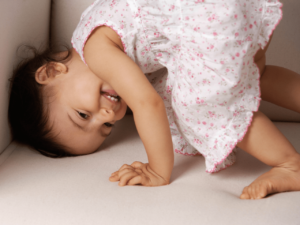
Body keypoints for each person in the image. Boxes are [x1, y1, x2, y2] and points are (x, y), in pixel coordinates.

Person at [8, 0, 300, 199]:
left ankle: (290, 165)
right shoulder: (95, 27)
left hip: (203, 20)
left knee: (206, 108)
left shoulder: (96, 50)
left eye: (84, 115)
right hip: (215, 13)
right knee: (254, 76)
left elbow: (148, 103)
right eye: (105, 128)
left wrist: (157, 169)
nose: (108, 116)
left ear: (51, 71)